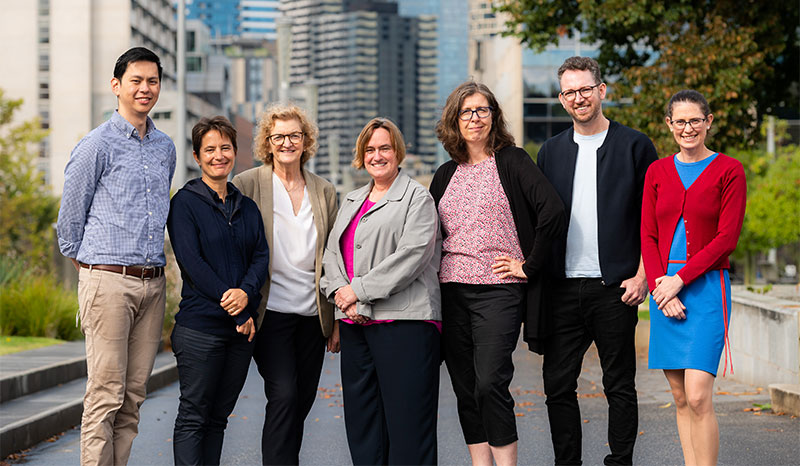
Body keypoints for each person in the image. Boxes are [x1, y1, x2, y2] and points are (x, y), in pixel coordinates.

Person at [429, 81, 566, 466]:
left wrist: (529, 265)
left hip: (499, 290)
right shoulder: (445, 174)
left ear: (494, 116)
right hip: (452, 290)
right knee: (466, 387)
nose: (474, 118)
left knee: (491, 382)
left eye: (482, 110)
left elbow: (552, 211)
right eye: (466, 112)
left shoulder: (512, 161)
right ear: (454, 120)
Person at [56, 47, 175, 466]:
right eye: (136, 81)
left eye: (153, 81)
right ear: (117, 86)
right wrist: (96, 273)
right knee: (104, 394)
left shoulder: (165, 148)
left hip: (153, 284)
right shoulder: (95, 146)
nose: (145, 89)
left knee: (133, 397)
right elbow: (68, 226)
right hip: (107, 282)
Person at [536, 56, 658, 465]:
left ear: (602, 90)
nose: (578, 98)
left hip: (616, 287)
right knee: (557, 384)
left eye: (585, 89)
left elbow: (652, 218)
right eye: (570, 92)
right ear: (561, 99)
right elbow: (538, 219)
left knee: (619, 384)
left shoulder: (636, 146)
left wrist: (644, 276)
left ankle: (619, 461)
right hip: (563, 287)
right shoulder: (550, 152)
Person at [320, 117, 441, 465]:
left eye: (384, 148)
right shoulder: (352, 199)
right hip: (356, 326)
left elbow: (413, 256)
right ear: (361, 155)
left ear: (397, 151)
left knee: (407, 430)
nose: (377, 155)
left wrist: (357, 291)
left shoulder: (417, 198)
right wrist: (340, 295)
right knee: (364, 428)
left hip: (404, 325)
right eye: (370, 149)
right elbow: (331, 254)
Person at [642, 90, 746, 466]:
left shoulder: (729, 170)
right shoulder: (656, 172)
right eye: (680, 121)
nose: (688, 128)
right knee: (680, 396)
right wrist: (660, 286)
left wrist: (678, 280)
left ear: (709, 122)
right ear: (669, 125)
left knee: (699, 393)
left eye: (695, 120)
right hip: (663, 290)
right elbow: (648, 235)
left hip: (704, 289)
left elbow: (726, 239)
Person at [231, 103, 338, 465]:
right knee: (285, 395)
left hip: (312, 316)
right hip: (269, 313)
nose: (287, 143)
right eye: (279, 136)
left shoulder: (323, 191)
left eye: (294, 135)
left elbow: (335, 257)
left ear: (306, 140)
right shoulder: (247, 185)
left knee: (301, 401)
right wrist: (240, 305)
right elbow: (236, 250)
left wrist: (336, 317)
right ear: (267, 142)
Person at [167, 116, 269, 465]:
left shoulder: (247, 207)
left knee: (218, 419)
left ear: (235, 152)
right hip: (200, 329)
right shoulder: (185, 203)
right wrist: (239, 307)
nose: (218, 155)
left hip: (239, 335)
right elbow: (193, 264)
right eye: (209, 149)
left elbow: (260, 257)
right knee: (194, 416)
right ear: (197, 156)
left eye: (225, 147)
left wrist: (247, 295)